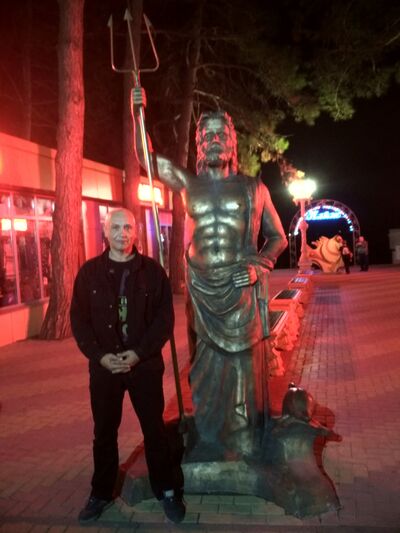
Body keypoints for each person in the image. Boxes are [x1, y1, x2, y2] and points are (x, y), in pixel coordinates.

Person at [132, 88, 288, 461]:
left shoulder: (253, 187)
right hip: (201, 291)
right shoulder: (189, 183)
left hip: (240, 291)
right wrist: (138, 114)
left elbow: (278, 238)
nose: (214, 140)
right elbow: (148, 161)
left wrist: (258, 266)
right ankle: (209, 434)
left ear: (232, 142)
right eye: (207, 135)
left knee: (241, 366)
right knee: (203, 365)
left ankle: (243, 436)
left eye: (221, 134)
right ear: (199, 143)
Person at [70, 208, 185, 524]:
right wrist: (99, 355)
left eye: (128, 228)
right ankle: (101, 492)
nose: (122, 233)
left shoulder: (152, 273)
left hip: (144, 367)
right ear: (106, 232)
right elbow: (79, 320)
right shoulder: (89, 274)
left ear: (136, 232)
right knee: (104, 433)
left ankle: (167, 490)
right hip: (104, 369)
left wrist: (138, 353)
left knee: (154, 431)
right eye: (116, 227)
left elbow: (164, 320)